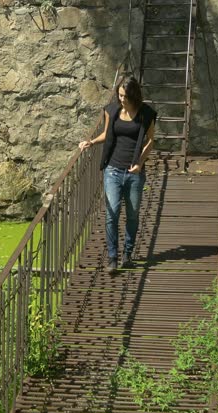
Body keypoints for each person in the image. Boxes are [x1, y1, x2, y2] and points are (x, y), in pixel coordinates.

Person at [79, 76, 157, 273]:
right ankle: (112, 257)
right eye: (120, 95)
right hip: (112, 169)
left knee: (132, 215)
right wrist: (92, 142)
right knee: (112, 213)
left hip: (134, 172)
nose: (122, 99)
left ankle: (127, 254)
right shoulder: (111, 111)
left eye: (126, 96)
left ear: (134, 95)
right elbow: (108, 134)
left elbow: (150, 141)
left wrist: (140, 163)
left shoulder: (146, 114)